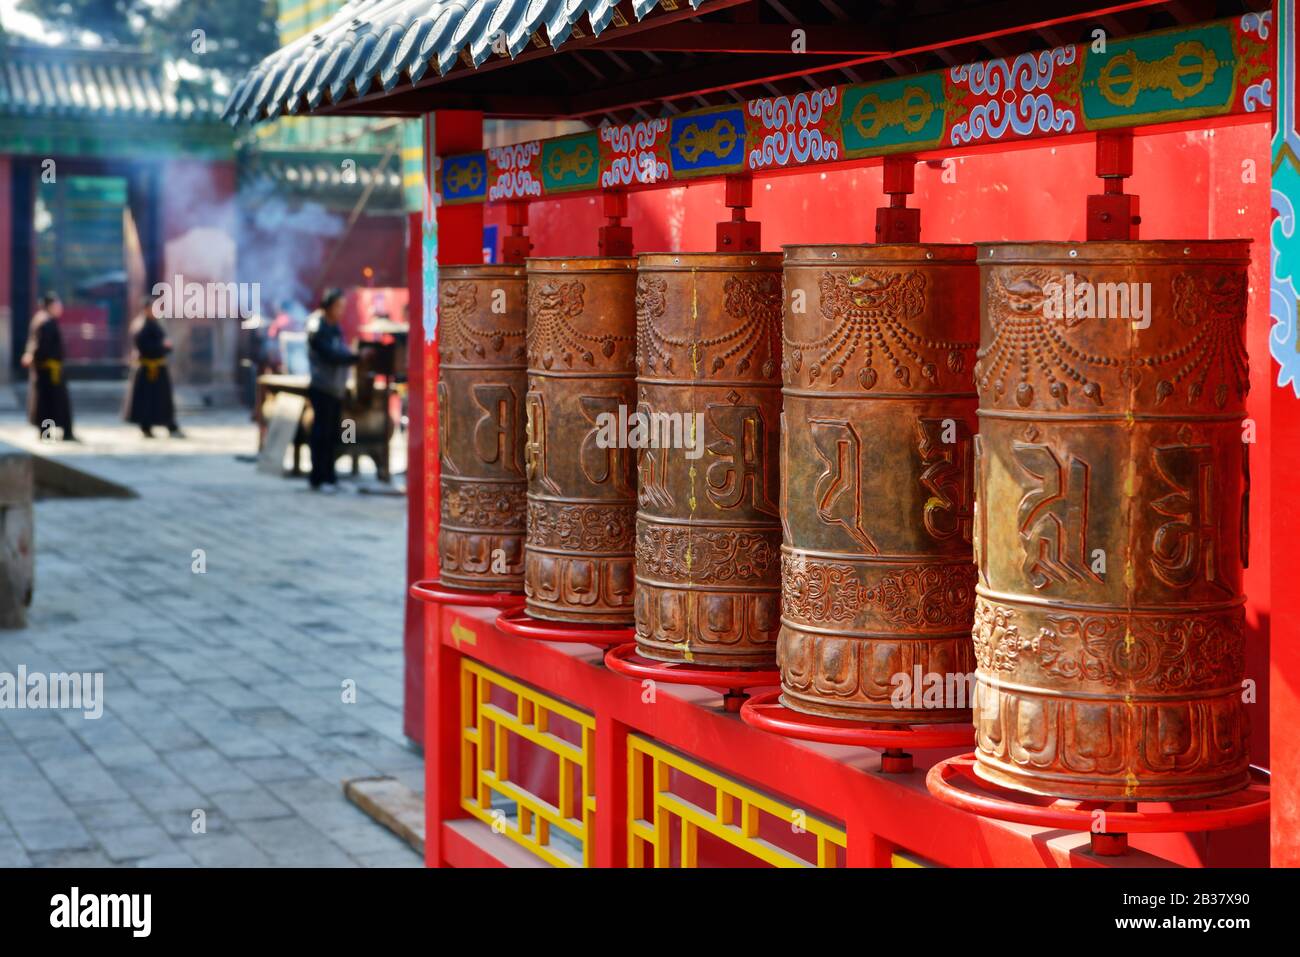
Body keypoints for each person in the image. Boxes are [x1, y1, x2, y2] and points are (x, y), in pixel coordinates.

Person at [305, 288, 357, 493]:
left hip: (335, 388)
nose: (341, 311)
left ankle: (330, 476)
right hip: (322, 386)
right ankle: (318, 476)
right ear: (327, 306)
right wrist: (354, 358)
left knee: (336, 433)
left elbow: (341, 351)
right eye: (338, 306)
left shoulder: (335, 328)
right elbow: (330, 354)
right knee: (321, 434)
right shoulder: (317, 327)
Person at [123, 295, 182, 438]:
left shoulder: (156, 324)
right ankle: (146, 426)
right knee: (147, 401)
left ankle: (169, 424)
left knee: (162, 400)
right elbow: (146, 348)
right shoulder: (141, 326)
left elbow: (164, 344)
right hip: (147, 370)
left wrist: (166, 346)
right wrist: (162, 346)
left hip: (159, 369)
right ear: (146, 309)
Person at [21, 292, 75, 441]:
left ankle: (48, 433)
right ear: (50, 306)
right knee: (51, 403)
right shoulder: (46, 322)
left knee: (46, 403)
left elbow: (34, 344)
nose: (60, 308)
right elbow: (40, 345)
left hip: (46, 370)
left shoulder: (40, 320)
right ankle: (60, 433)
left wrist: (30, 354)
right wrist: (32, 355)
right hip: (49, 371)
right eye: (58, 305)